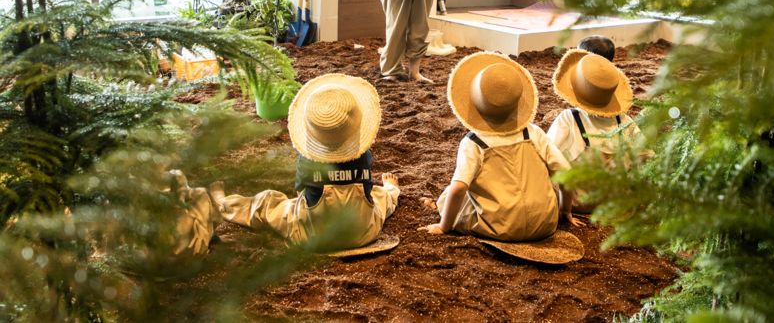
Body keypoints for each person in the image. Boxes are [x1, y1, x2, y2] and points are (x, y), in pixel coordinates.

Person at [210, 73, 400, 251]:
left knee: (268, 203)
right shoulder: (364, 156)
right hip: (364, 233)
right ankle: (393, 190)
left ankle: (224, 204)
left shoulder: (308, 160)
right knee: (379, 196)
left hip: (313, 235)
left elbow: (300, 190)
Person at [418, 52, 583, 241]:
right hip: (545, 222)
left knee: (449, 194)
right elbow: (566, 173)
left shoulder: (474, 142)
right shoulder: (534, 132)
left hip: (500, 226)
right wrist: (564, 210)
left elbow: (459, 189)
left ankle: (441, 211)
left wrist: (443, 226)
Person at [546, 49, 647, 213]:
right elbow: (645, 159)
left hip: (580, 203)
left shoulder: (569, 118)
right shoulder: (625, 121)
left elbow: (547, 156)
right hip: (615, 200)